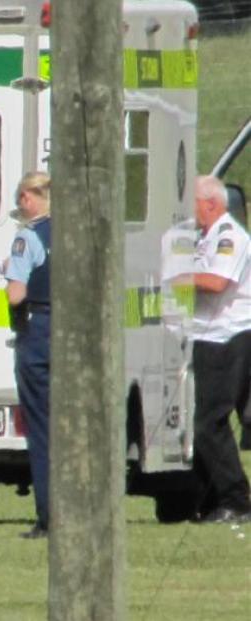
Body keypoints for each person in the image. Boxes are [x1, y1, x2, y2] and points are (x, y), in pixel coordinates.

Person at [188, 175, 251, 523]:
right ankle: (210, 497)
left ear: (210, 203)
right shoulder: (205, 237)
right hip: (207, 335)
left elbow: (216, 282)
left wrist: (178, 274)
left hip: (227, 337)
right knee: (204, 423)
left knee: (210, 422)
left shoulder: (229, 237)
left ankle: (236, 500)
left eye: (192, 202)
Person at [3, 171, 52, 540]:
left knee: (41, 427)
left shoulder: (27, 237)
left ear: (29, 198)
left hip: (38, 331)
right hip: (73, 333)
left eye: (23, 197)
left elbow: (16, 295)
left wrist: (8, 274)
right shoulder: (73, 234)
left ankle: (48, 515)